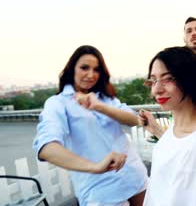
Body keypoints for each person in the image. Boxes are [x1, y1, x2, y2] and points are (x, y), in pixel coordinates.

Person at [32, 45, 148, 206]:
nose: (91, 75)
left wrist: (99, 106)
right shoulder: (57, 103)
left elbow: (135, 119)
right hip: (100, 191)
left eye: (97, 69)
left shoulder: (105, 98)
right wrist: (95, 166)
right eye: (84, 68)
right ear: (72, 69)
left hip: (134, 176)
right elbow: (46, 148)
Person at [137, 46, 196, 206]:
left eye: (168, 79)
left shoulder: (195, 147)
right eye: (153, 80)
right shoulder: (181, 126)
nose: (157, 90)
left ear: (190, 80)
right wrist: (156, 130)